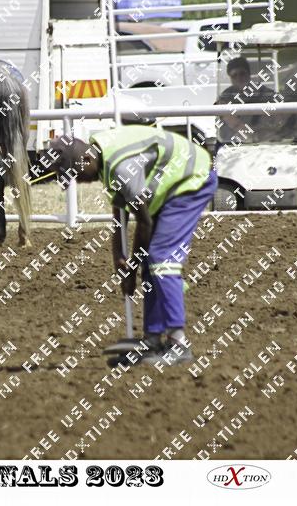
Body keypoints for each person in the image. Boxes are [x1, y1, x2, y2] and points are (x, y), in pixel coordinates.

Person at [50, 126, 216, 366]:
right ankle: (153, 340)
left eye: (76, 174)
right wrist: (119, 258)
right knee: (151, 261)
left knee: (161, 258)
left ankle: (178, 343)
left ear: (86, 159)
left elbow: (144, 222)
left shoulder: (120, 167)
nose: (79, 181)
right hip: (171, 186)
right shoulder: (103, 157)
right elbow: (119, 214)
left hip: (190, 180)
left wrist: (132, 268)